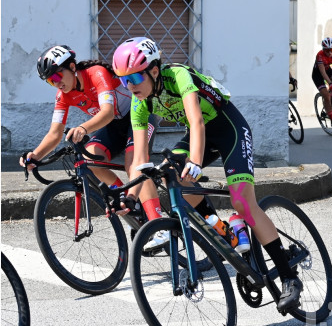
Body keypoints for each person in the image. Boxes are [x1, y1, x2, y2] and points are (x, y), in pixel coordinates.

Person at [111, 37, 303, 311]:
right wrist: (130, 197)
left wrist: (197, 162)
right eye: (123, 80)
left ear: (154, 70)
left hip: (228, 129)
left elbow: (196, 121)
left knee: (243, 202)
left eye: (135, 77)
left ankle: (288, 276)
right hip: (199, 135)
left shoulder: (178, 75)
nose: (130, 86)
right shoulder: (140, 102)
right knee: (170, 176)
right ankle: (225, 230)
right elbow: (139, 159)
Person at [19, 45, 161, 221]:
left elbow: (107, 112)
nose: (56, 83)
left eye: (56, 76)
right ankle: (125, 197)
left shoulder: (96, 73)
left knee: (134, 165)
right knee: (91, 158)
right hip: (115, 125)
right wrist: (35, 156)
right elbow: (55, 133)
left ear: (72, 67)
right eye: (50, 81)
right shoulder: (63, 95)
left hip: (138, 116)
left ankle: (158, 222)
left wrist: (83, 128)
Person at [311, 37, 332, 132]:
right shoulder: (319, 56)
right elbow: (323, 73)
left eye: (331, 50)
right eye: (327, 50)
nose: (330, 52)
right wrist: (330, 83)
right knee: (326, 95)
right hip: (318, 74)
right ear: (323, 49)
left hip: (327, 69)